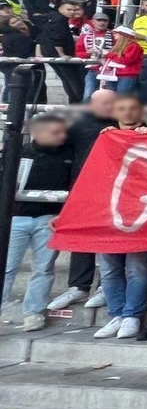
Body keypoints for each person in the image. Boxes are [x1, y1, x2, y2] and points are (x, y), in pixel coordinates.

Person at [3, 113, 73, 332]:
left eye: (63, 131)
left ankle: (34, 313)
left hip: (49, 218)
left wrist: (63, 213)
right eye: (56, 132)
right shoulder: (18, 153)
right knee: (6, 267)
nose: (62, 136)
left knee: (44, 268)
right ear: (39, 133)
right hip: (16, 217)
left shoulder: (69, 154)